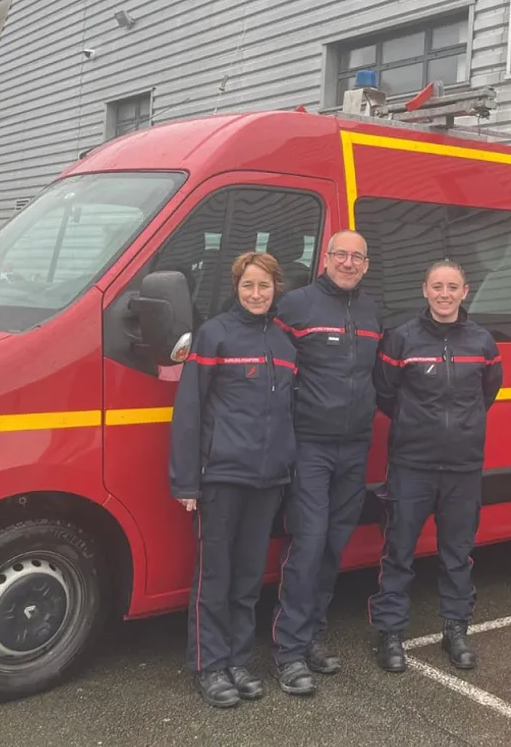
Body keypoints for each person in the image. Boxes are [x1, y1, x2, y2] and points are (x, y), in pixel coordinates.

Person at [169, 252, 299, 708]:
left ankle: (239, 660)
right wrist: (187, 483)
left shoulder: (285, 343)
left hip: (268, 482)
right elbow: (189, 411)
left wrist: (288, 468)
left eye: (264, 286)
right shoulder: (214, 335)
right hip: (221, 478)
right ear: (237, 287)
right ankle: (209, 666)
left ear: (275, 288)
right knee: (215, 578)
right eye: (248, 286)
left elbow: (290, 415)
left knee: (247, 578)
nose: (256, 294)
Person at [367, 259, 503, 674]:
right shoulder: (401, 340)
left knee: (456, 555)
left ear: (465, 292)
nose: (445, 294)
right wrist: (418, 426)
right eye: (437, 286)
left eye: (453, 287)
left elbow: (488, 392)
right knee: (398, 553)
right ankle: (390, 634)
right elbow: (386, 395)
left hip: (462, 467)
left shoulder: (482, 342)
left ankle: (456, 629)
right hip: (412, 465)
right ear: (424, 290)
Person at [270, 229, 383, 695]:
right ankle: (289, 651)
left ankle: (311, 633)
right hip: (311, 446)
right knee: (310, 543)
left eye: (358, 256)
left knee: (335, 544)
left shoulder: (373, 311)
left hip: (355, 445)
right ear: (326, 257)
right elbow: (271, 370)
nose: (349, 263)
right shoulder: (295, 306)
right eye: (341, 254)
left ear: (366, 264)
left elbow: (382, 374)